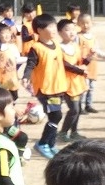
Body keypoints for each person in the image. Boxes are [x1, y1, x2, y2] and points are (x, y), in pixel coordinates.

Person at [23, 14, 83, 160]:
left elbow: (64, 63)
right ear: (40, 30)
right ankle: (43, 143)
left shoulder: (56, 45)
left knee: (56, 115)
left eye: (54, 26)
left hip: (58, 88)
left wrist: (80, 71)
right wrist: (25, 77)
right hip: (45, 89)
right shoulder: (36, 48)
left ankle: (50, 144)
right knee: (55, 115)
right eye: (50, 26)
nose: (54, 29)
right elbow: (30, 64)